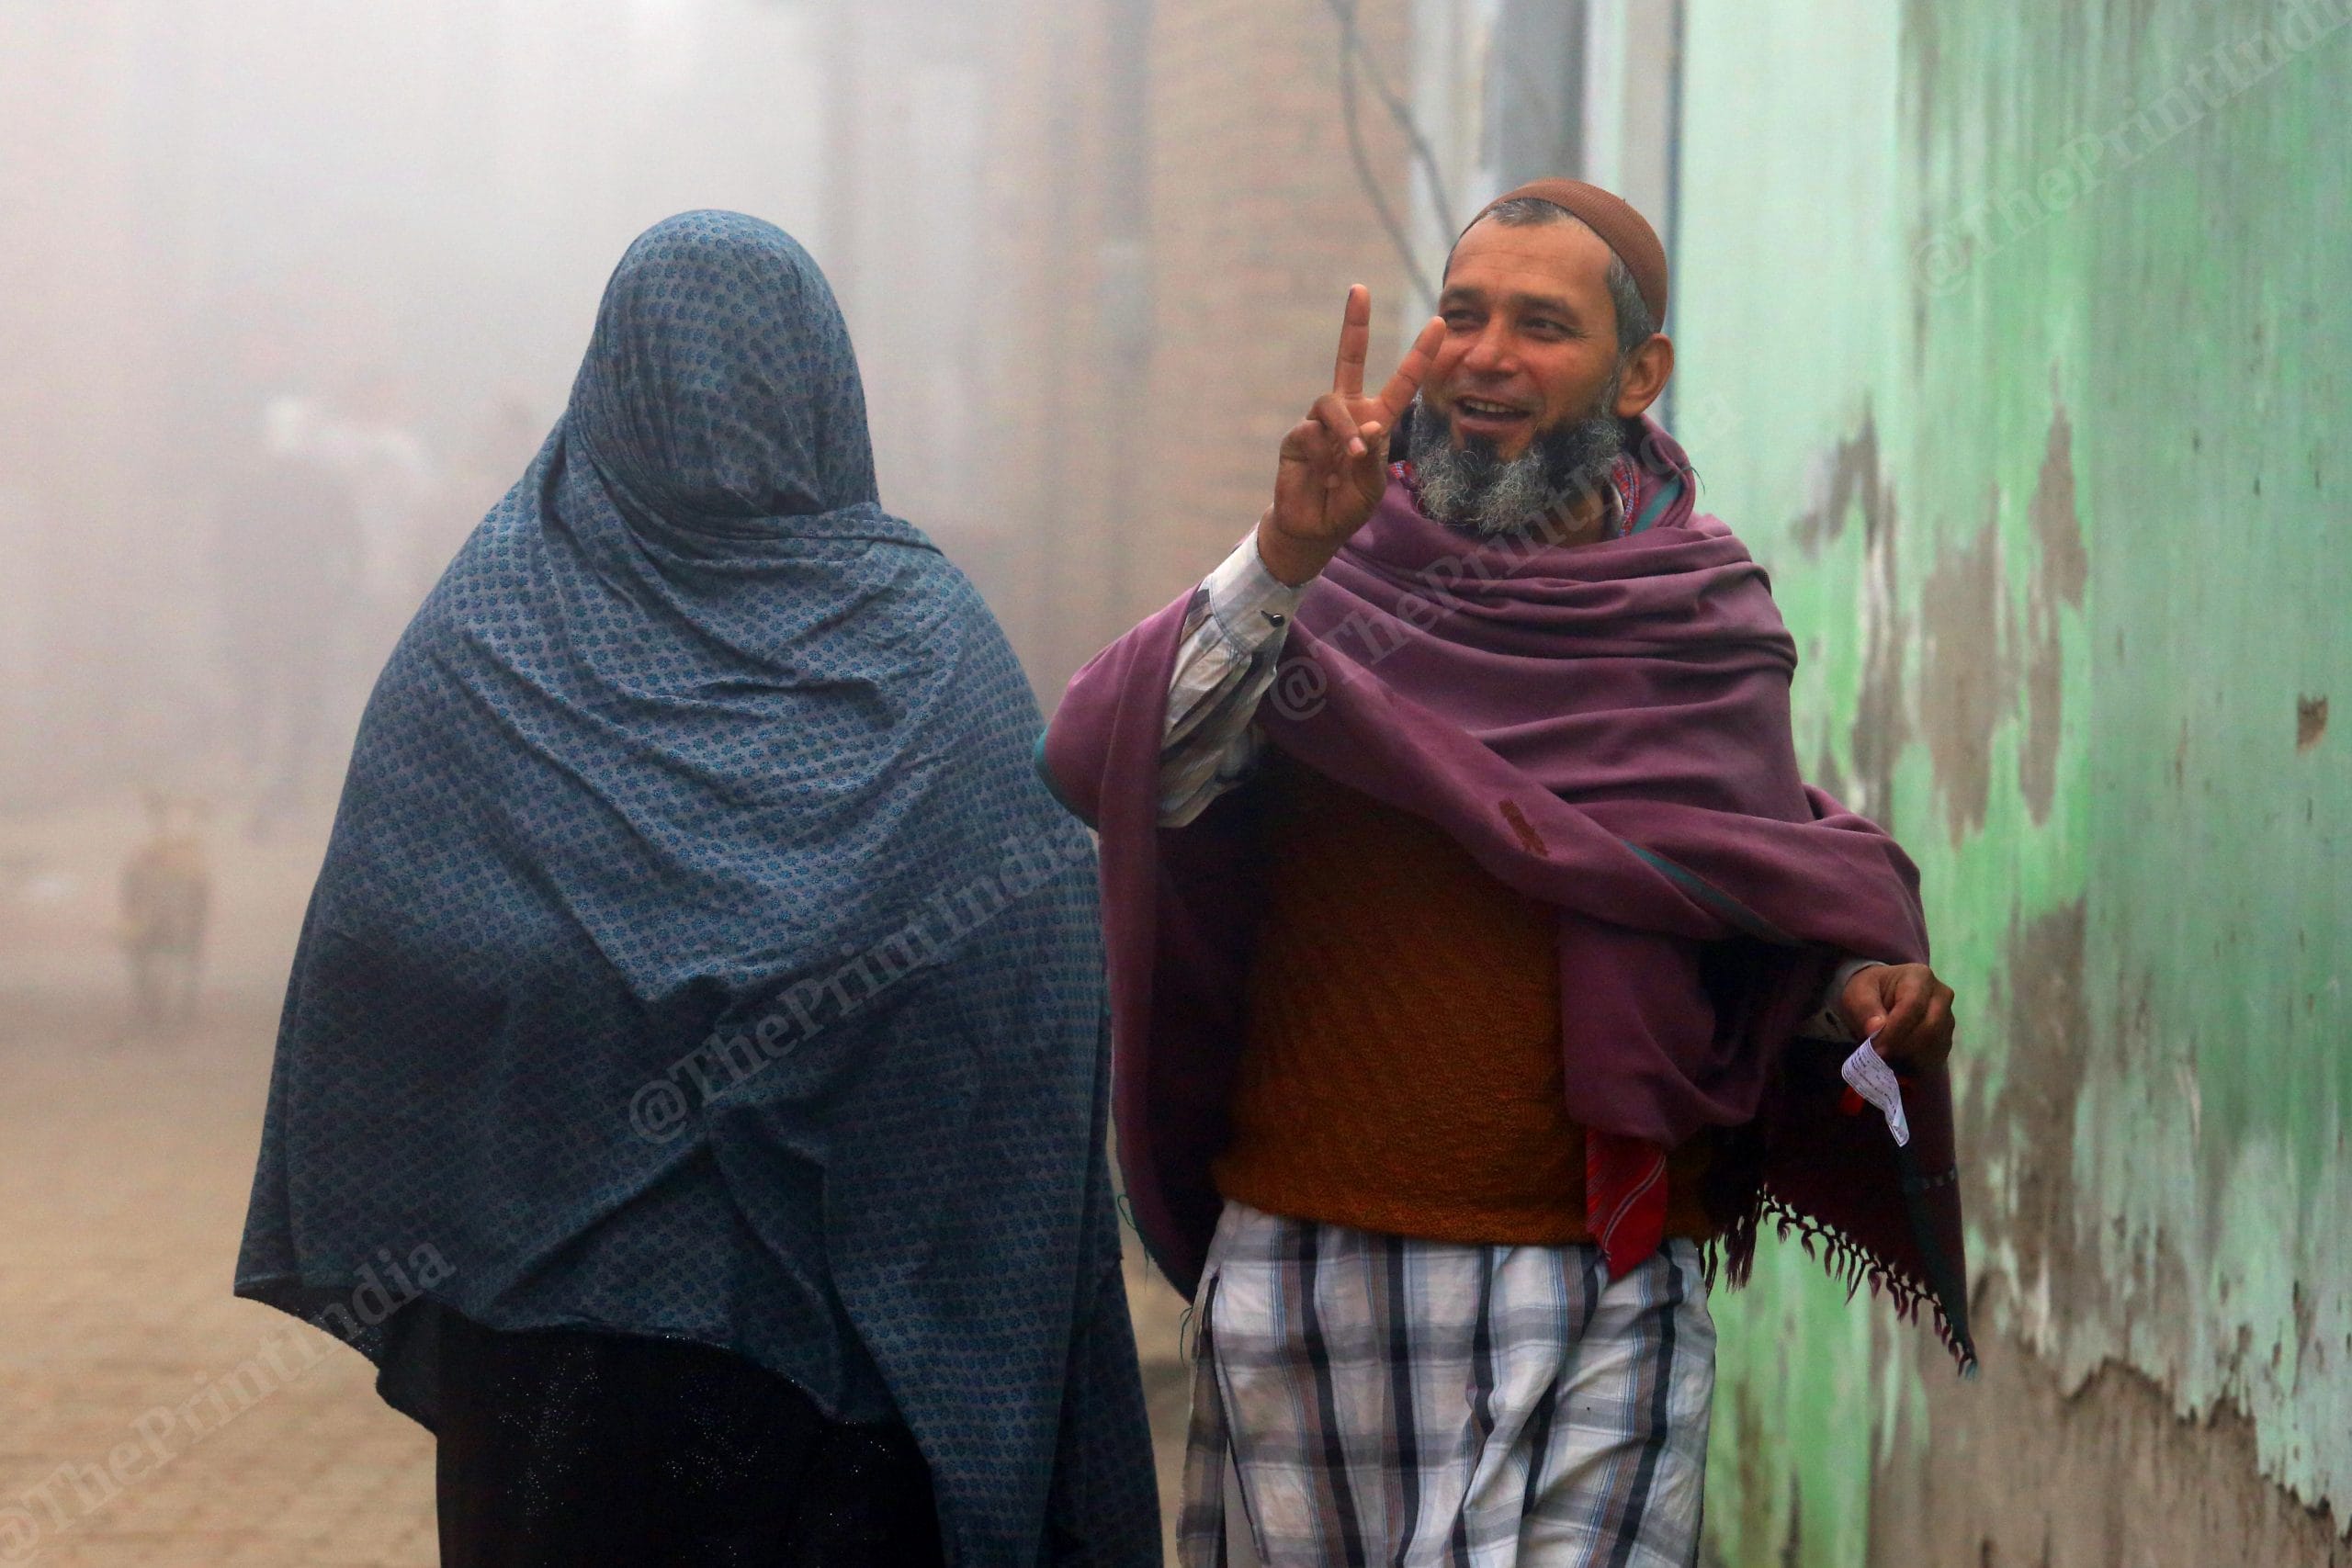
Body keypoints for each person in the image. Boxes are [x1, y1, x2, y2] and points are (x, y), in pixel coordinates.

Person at [1042, 179, 1973, 1566]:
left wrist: (1854, 989)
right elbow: (1122, 759)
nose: (1485, 355)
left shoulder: (1701, 618)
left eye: (1542, 324)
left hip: (1600, 1288)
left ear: (1639, 370)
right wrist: (1288, 552)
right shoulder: (1338, 580)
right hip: (1311, 1280)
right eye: (1464, 313)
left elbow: (1734, 883)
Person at [236, 211, 1159, 1567]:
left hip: (565, 1361)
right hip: (862, 1375)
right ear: (829, 387)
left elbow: (388, 948)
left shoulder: (493, 628)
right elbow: (1029, 993)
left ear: (609, 379)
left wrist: (585, 1020)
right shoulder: (933, 646)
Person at [119, 792, 209, 1032]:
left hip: (170, 918)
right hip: (150, 917)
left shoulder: (187, 858)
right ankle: (154, 1004)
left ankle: (165, 1004)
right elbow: (131, 893)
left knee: (170, 955)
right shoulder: (144, 857)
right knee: (143, 952)